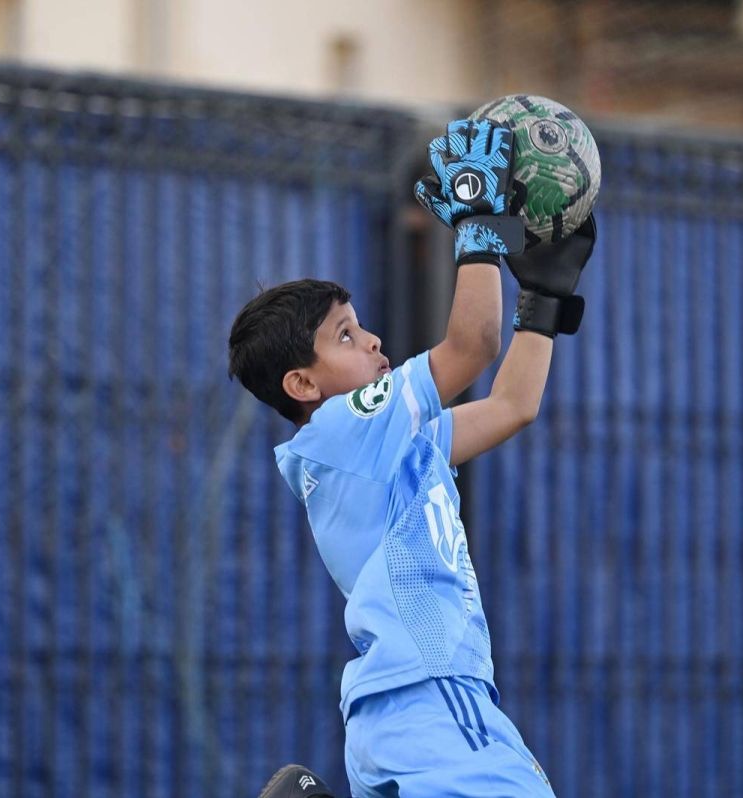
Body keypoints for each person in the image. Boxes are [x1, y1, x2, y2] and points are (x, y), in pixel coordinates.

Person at [231, 119, 596, 797]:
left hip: (415, 709)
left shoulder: (388, 452)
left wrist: (544, 303)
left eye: (361, 323)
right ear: (302, 385)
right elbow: (473, 345)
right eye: (345, 335)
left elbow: (513, 404)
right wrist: (479, 223)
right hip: (429, 696)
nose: (371, 341)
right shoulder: (342, 430)